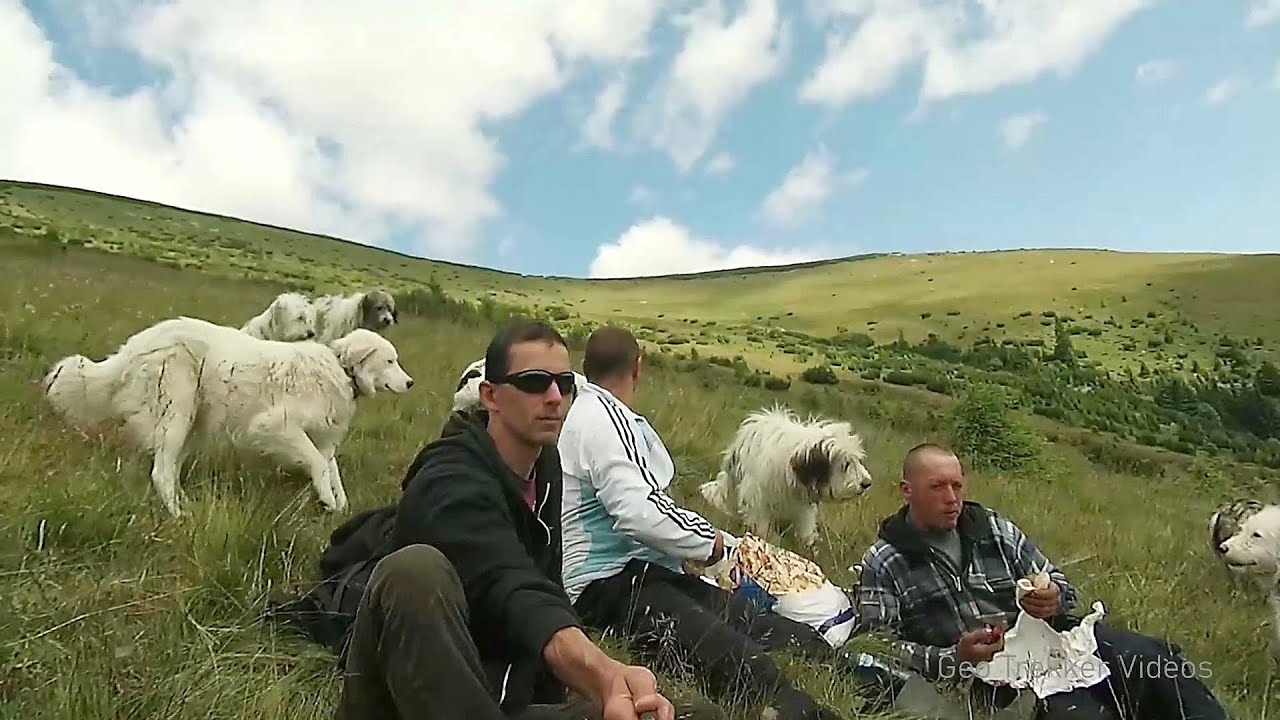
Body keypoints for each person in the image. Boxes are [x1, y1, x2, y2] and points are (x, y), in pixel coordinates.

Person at [556, 325, 907, 720]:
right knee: (743, 661)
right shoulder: (603, 419)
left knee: (766, 624)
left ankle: (869, 678)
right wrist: (713, 543)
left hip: (646, 573)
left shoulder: (594, 415)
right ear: (638, 367)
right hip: (608, 586)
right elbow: (638, 511)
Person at [333, 319, 677, 720]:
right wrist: (602, 675)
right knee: (415, 570)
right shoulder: (446, 481)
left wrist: (607, 690)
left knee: (671, 713)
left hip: (506, 697)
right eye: (534, 382)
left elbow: (545, 588)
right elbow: (511, 585)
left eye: (565, 384)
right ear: (490, 396)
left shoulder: (545, 466)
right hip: (418, 699)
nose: (554, 397)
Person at [855, 442, 1233, 719]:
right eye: (938, 487)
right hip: (992, 678)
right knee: (1079, 712)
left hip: (1055, 643)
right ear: (907, 491)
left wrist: (1052, 597)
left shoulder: (993, 529)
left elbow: (1058, 583)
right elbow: (877, 647)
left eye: (957, 485)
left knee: (1151, 659)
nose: (952, 498)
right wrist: (954, 657)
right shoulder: (885, 561)